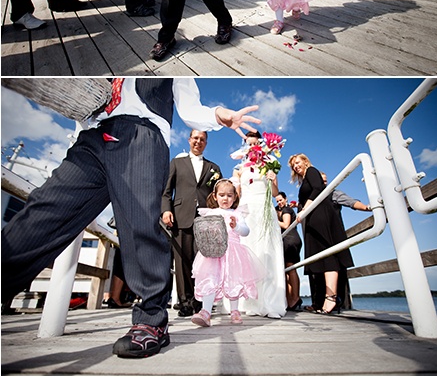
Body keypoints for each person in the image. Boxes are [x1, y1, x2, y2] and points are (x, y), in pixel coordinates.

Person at [1, 78, 261, 358]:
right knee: (45, 209)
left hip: (142, 131)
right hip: (94, 134)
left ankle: (151, 320)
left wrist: (217, 114)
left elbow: (189, 107)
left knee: (141, 226)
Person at [160, 129, 224, 317]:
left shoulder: (214, 168)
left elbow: (219, 194)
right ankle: (185, 302)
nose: (198, 141)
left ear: (206, 143)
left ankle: (201, 302)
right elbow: (166, 190)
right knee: (182, 261)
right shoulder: (177, 163)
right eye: (195, 138)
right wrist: (166, 209)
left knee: (204, 262)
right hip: (181, 216)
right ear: (189, 140)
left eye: (202, 139)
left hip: (205, 220)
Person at [191, 179, 264, 327]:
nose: (225, 199)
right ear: (215, 196)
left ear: (235, 197)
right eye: (222, 195)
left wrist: (236, 226)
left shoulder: (237, 213)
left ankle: (235, 310)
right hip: (214, 252)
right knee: (210, 279)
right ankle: (206, 312)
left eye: (229, 195)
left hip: (233, 251)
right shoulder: (211, 212)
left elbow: (246, 231)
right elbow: (204, 230)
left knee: (233, 280)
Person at [230, 131, 286, 318]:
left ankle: (271, 303)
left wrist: (272, 179)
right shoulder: (239, 169)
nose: (252, 147)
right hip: (248, 210)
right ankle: (251, 303)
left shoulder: (269, 163)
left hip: (265, 208)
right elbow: (236, 194)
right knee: (250, 254)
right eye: (249, 144)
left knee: (268, 253)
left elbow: (276, 191)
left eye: (255, 143)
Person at [289, 153, 354, 315]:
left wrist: (305, 208)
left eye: (297, 163)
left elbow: (318, 188)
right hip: (312, 219)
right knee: (316, 258)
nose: (296, 166)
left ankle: (331, 297)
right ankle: (318, 301)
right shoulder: (304, 180)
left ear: (305, 161)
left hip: (321, 215)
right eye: (293, 166)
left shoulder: (312, 171)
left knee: (327, 255)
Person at [275, 192, 303, 311]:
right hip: (285, 241)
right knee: (286, 270)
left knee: (290, 268)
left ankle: (295, 298)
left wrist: (273, 221)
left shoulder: (286, 210)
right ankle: (291, 299)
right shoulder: (279, 210)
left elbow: (286, 225)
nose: (279, 202)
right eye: (277, 201)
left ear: (286, 199)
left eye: (281, 200)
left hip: (291, 240)